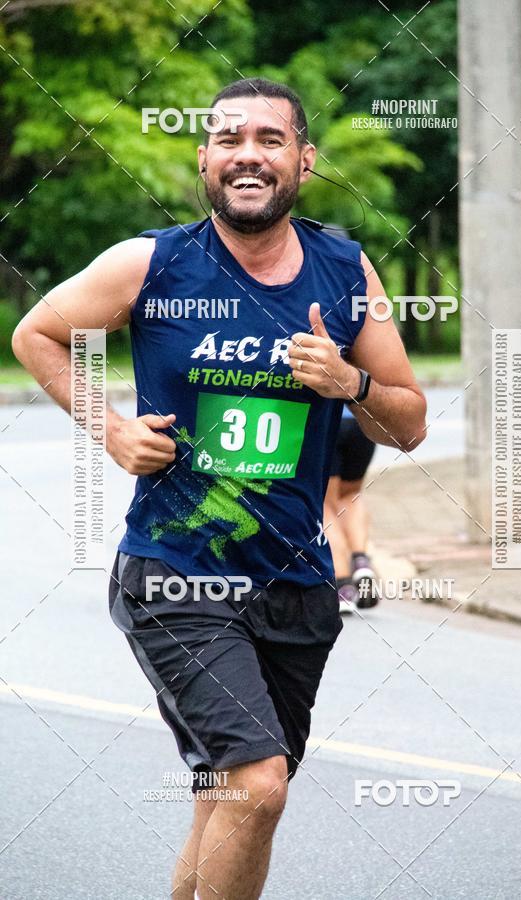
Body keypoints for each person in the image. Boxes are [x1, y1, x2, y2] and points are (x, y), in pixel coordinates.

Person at [12, 77, 427, 900]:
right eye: (229, 139)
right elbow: (40, 334)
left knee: (230, 796)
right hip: (174, 573)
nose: (248, 154)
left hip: (297, 585)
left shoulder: (346, 269)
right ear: (204, 159)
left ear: (303, 161)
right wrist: (111, 428)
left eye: (270, 140)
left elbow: (407, 420)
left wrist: (349, 384)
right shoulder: (154, 263)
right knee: (257, 784)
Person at [325, 402, 378, 613]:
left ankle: (343, 585)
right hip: (363, 422)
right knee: (351, 495)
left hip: (329, 422)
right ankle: (361, 561)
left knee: (325, 504)